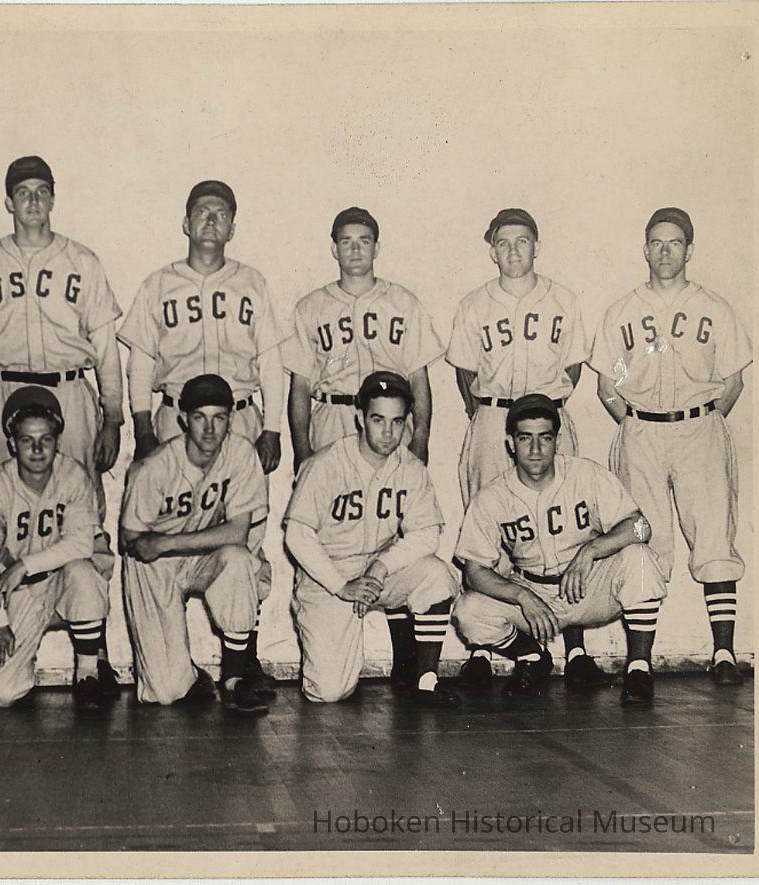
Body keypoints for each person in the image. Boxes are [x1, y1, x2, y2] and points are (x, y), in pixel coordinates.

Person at [117, 180, 284, 688]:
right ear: (185, 223)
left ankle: (242, 659)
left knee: (245, 540)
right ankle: (176, 661)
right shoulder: (158, 284)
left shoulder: (251, 282)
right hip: (175, 416)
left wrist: (272, 428)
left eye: (221, 213)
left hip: (237, 415)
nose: (211, 220)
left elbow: (271, 360)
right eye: (201, 212)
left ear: (233, 226)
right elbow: (141, 361)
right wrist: (143, 426)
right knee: (171, 525)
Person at [588, 207, 752, 686]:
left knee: (715, 537)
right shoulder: (622, 311)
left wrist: (701, 422)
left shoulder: (715, 308)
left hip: (699, 427)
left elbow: (733, 381)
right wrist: (639, 424)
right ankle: (639, 661)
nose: (665, 252)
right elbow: (606, 387)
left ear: (689, 250)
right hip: (641, 431)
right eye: (656, 243)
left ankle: (724, 654)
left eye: (674, 243)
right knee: (644, 540)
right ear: (645, 249)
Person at [445, 208, 606, 690]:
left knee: (567, 527)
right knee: (488, 528)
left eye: (523, 241)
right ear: (491, 248)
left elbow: (574, 368)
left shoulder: (563, 299)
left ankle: (575, 648)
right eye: (504, 242)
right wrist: (485, 413)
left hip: (547, 414)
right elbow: (464, 372)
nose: (513, 250)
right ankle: (484, 647)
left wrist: (547, 409)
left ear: (537, 246)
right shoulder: (474, 304)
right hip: (494, 416)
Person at [452, 395, 667, 705]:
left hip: (587, 587)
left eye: (545, 438)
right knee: (468, 611)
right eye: (526, 438)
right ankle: (532, 656)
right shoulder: (492, 496)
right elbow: (474, 572)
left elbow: (641, 527)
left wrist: (592, 549)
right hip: (533, 590)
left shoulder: (585, 474)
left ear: (557, 440)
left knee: (640, 559)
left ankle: (638, 669)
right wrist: (521, 596)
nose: (536, 449)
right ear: (511, 443)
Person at [0, 156, 124, 506]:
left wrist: (113, 419)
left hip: (69, 392)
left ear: (53, 200)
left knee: (79, 503)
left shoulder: (82, 260)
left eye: (42, 192)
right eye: (23, 193)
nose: (33, 201)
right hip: (4, 390)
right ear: (9, 203)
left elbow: (106, 348)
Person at [284, 372, 460, 706]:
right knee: (328, 691)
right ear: (360, 418)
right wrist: (341, 585)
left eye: (397, 422)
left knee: (437, 575)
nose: (388, 432)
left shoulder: (409, 467)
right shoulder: (326, 464)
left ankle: (425, 680)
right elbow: (297, 533)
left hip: (377, 570)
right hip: (327, 578)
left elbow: (426, 533)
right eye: (378, 420)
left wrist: (380, 567)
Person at [120, 374, 272, 716]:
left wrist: (168, 541)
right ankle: (189, 676)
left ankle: (233, 681)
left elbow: (237, 534)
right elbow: (131, 540)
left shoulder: (241, 453)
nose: (209, 429)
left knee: (239, 560)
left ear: (230, 419)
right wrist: (160, 547)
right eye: (199, 417)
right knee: (165, 693)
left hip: (195, 551)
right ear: (183, 419)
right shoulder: (154, 468)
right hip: (154, 565)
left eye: (219, 418)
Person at [0, 387, 118, 713]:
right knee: (0, 693)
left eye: (45, 439)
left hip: (62, 583)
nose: (37, 449)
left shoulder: (74, 475)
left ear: (57, 442)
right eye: (26, 440)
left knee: (83, 570)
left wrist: (22, 564)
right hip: (18, 594)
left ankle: (88, 673)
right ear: (11, 444)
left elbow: (80, 542)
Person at [284, 207, 443, 472]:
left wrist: (421, 438)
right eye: (347, 242)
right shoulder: (310, 307)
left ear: (376, 248)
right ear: (335, 249)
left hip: (390, 420)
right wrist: (301, 449)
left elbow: (418, 378)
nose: (355, 250)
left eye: (364, 241)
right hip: (333, 419)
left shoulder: (403, 302)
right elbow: (300, 385)